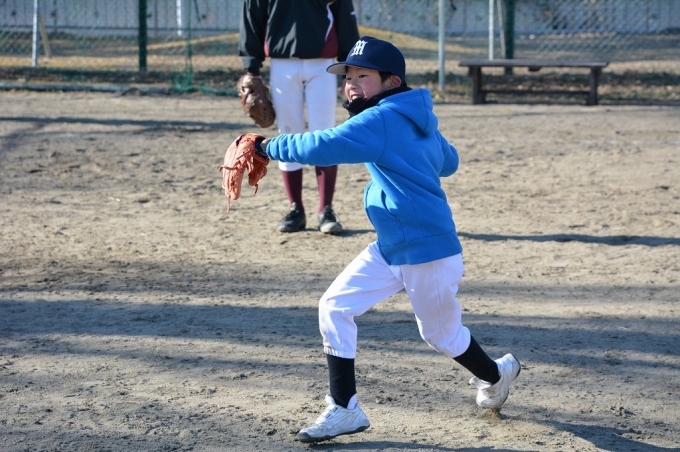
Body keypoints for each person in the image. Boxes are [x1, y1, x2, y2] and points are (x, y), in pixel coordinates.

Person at [254, 36, 521, 443]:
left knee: (442, 336)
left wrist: (265, 146)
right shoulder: (409, 117)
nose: (351, 85)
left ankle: (498, 374)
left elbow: (323, 145)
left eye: (363, 76)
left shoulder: (380, 119)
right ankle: (344, 408)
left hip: (427, 251)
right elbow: (449, 162)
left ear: (392, 81)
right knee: (335, 306)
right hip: (391, 245)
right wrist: (419, 145)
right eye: (347, 77)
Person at [238, 0, 360, 234]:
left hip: (323, 63)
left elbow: (344, 16)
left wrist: (350, 67)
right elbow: (253, 14)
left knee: (324, 134)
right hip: (282, 62)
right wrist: (251, 68)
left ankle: (325, 209)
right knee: (288, 133)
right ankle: (296, 208)